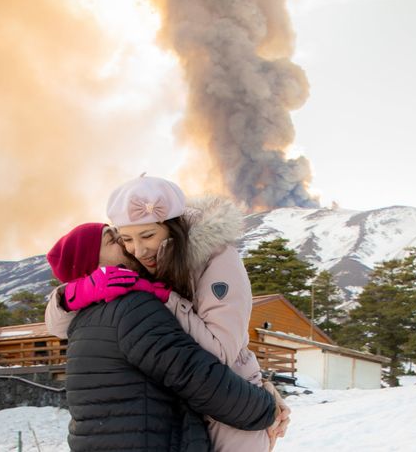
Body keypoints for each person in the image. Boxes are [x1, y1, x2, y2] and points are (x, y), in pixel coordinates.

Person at [45, 175, 291, 451]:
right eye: (124, 239)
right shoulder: (131, 292)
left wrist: (265, 403)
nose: (137, 249)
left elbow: (219, 353)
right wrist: (67, 296)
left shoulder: (213, 260)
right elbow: (58, 327)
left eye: (147, 235)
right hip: (199, 410)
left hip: (231, 410)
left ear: (172, 227)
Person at [63, 266, 277, 451]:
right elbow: (195, 376)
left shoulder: (81, 319)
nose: (125, 243)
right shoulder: (134, 308)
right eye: (113, 239)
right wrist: (267, 408)